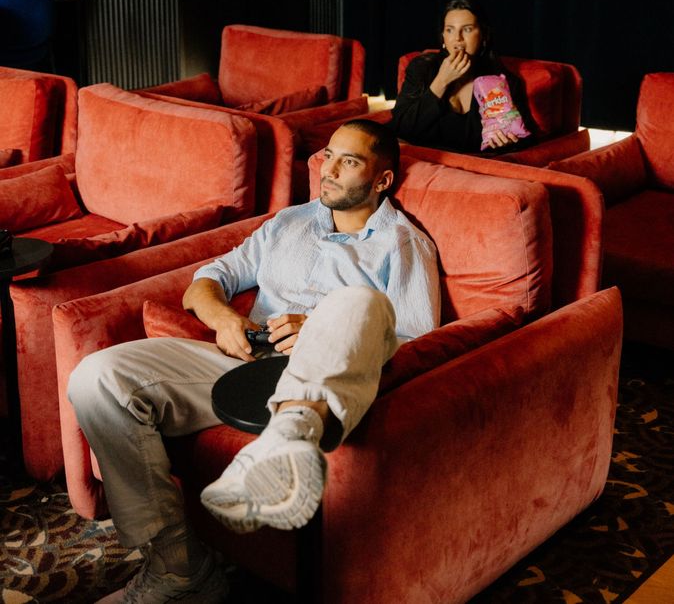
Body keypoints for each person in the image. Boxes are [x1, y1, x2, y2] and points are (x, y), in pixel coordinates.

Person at [68, 118, 441, 604]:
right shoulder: (288, 222)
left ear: (382, 180)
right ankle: (179, 570)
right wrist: (224, 319)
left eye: (348, 162)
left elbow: (416, 344)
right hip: (241, 363)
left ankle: (288, 438)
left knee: (358, 303)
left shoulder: (403, 243)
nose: (328, 170)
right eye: (328, 156)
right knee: (97, 378)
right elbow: (207, 281)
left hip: (325, 378)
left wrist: (322, 328)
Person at [390, 0, 536, 153]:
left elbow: (526, 137)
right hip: (422, 161)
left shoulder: (501, 82)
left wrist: (508, 143)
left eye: (467, 29)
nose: (457, 38)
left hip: (471, 166)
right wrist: (441, 81)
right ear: (443, 37)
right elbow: (400, 127)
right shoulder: (422, 68)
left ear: (483, 36)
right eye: (450, 30)